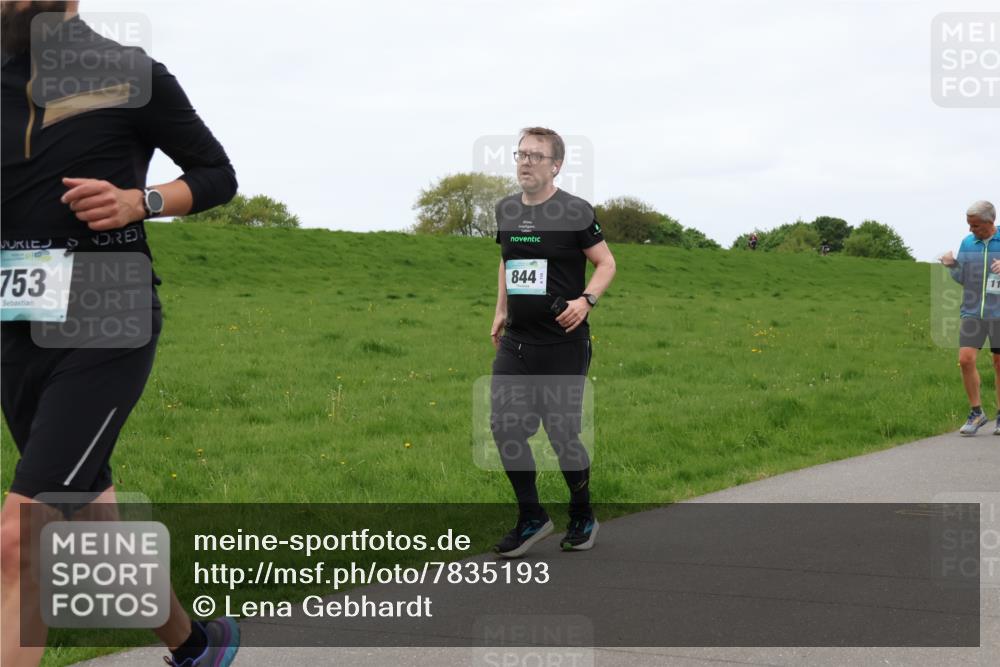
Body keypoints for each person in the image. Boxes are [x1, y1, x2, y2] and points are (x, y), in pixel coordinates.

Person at [1, 3, 240, 665]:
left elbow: (217, 175)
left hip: (108, 315)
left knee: (21, 540)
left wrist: (143, 201)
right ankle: (196, 644)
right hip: (17, 327)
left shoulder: (131, 73)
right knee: (95, 526)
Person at [489, 127, 616, 558]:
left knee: (561, 432)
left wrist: (587, 300)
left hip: (563, 343)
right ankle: (532, 517)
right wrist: (501, 310)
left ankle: (582, 513)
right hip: (517, 343)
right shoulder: (505, 210)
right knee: (504, 428)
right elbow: (507, 263)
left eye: (535, 156)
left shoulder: (576, 211)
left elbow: (605, 263)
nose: (525, 162)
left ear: (555, 165)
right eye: (520, 154)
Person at [939, 200, 1000, 436]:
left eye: (975, 225)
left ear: (989, 222)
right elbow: (963, 277)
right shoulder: (968, 243)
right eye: (969, 225)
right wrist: (952, 265)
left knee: (998, 363)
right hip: (973, 311)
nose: (970, 230)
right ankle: (976, 413)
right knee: (965, 359)